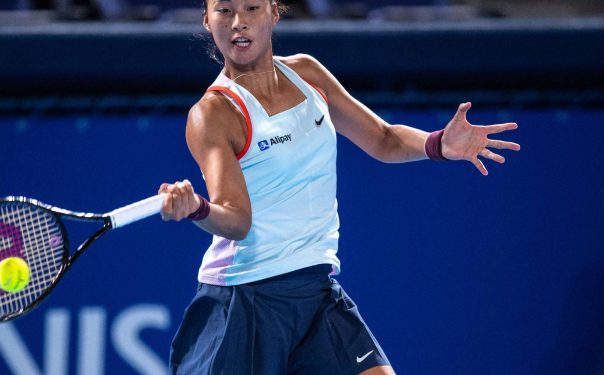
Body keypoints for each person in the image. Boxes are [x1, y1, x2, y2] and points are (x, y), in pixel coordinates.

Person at [158, 1, 520, 374]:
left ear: (274, 13)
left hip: (316, 292)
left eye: (252, 8)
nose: (239, 23)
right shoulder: (213, 114)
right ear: (207, 20)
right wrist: (198, 208)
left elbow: (383, 139)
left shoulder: (307, 73)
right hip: (245, 300)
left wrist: (438, 144)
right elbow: (236, 219)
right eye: (224, 11)